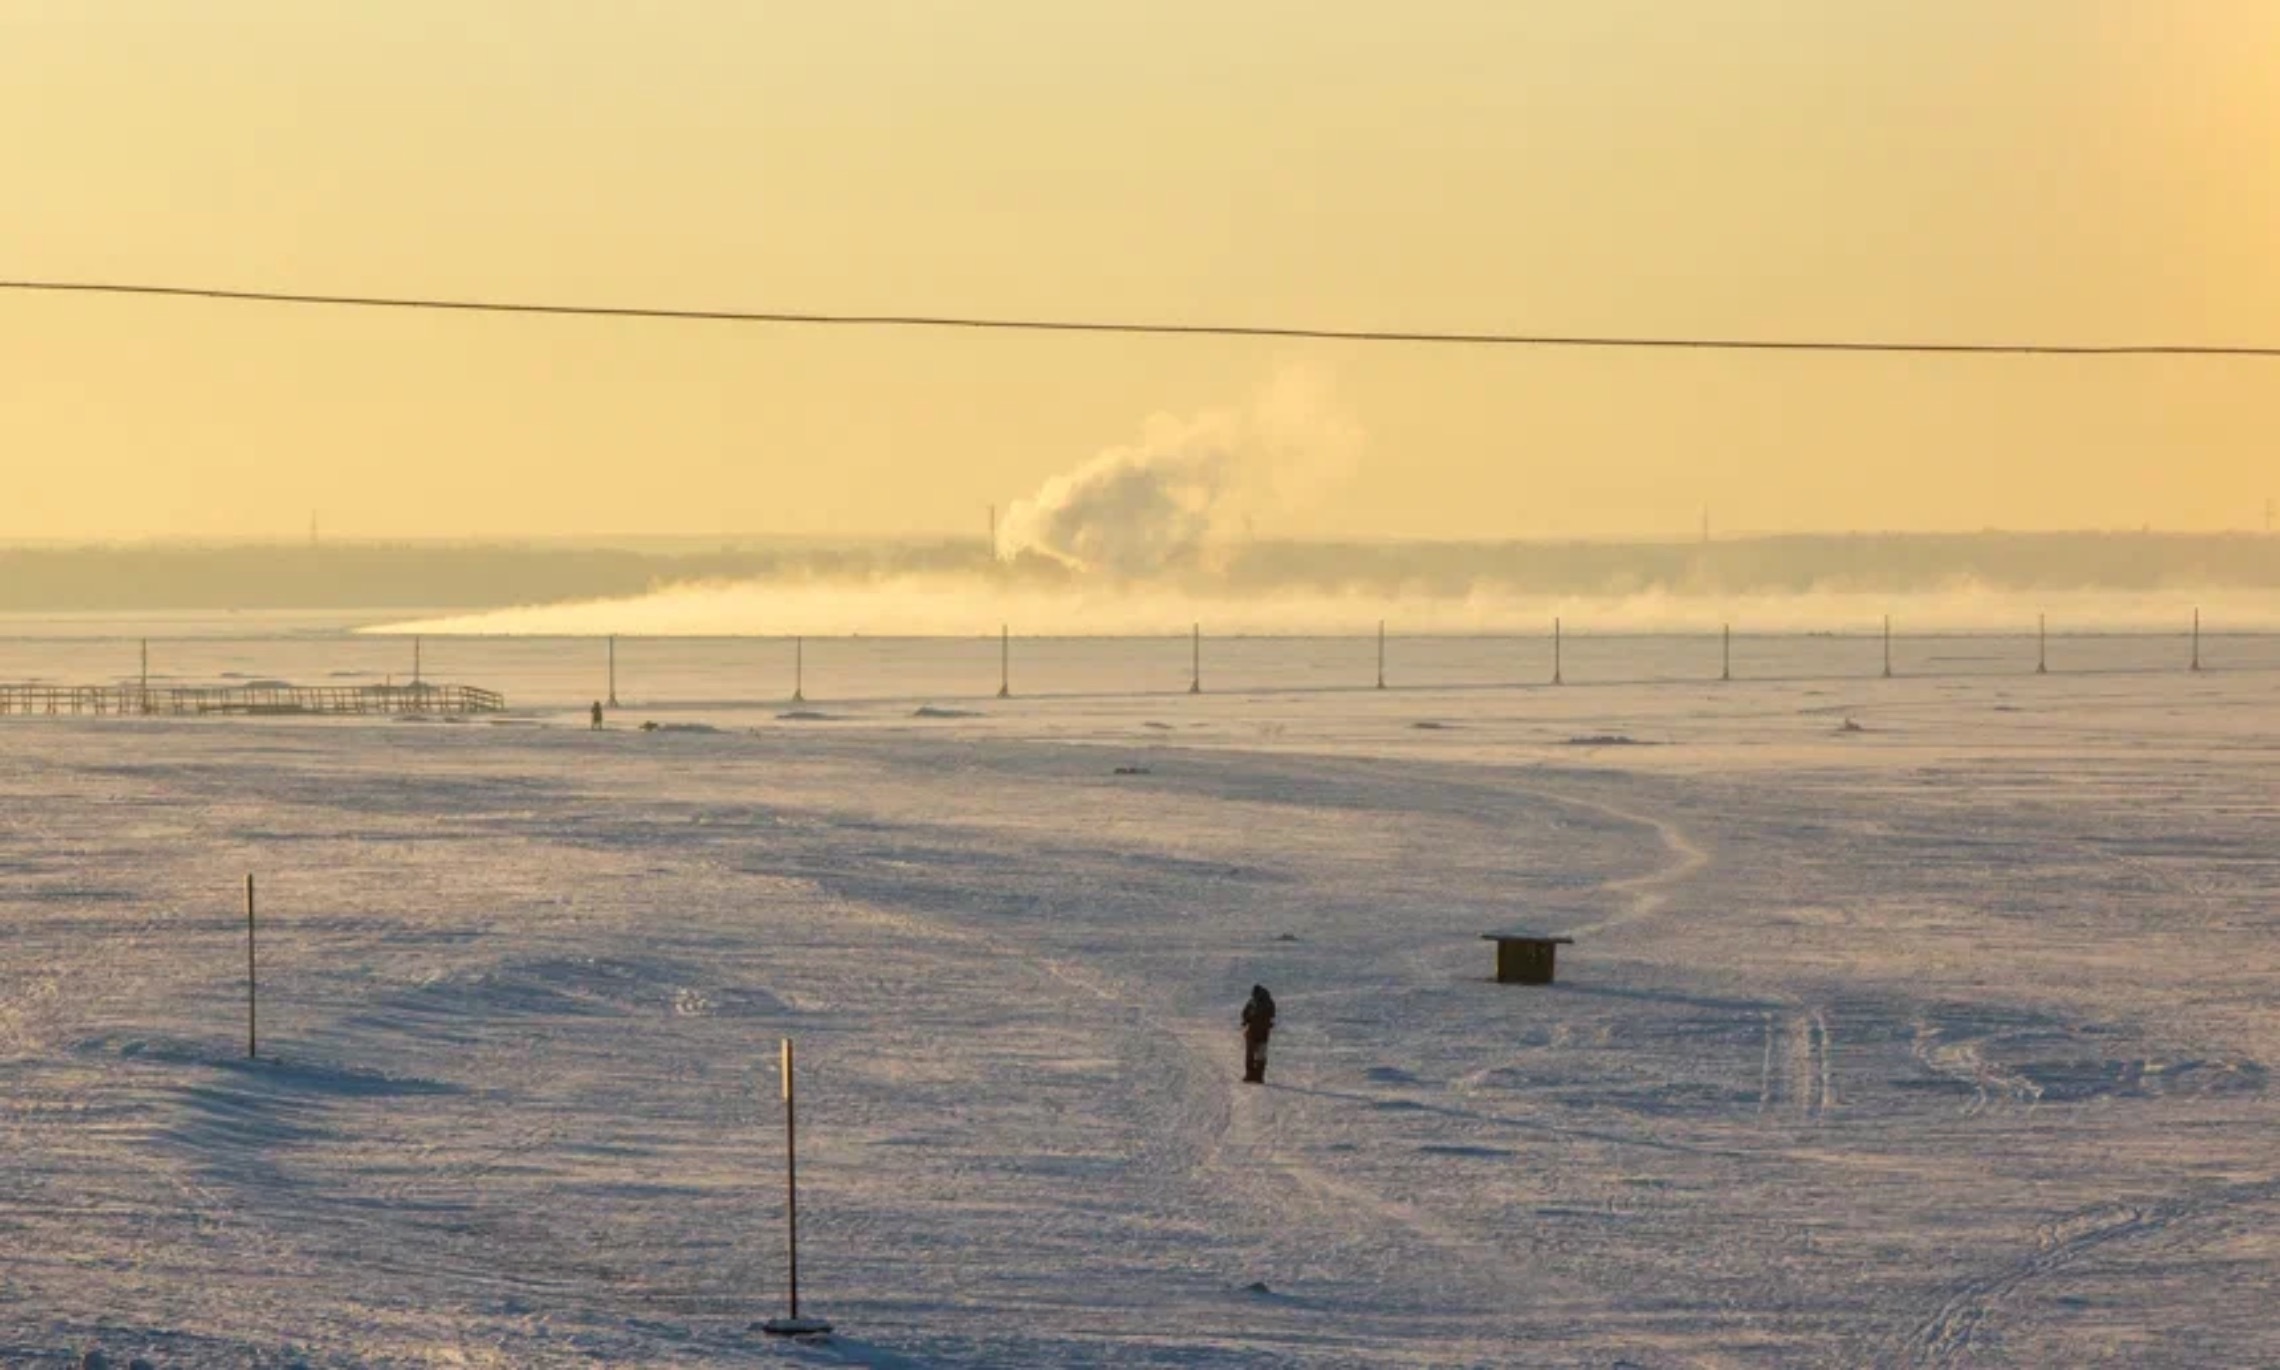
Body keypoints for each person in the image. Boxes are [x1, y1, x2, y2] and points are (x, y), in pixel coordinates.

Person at [1240, 984, 1276, 1084]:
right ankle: (1259, 1076)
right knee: (1261, 1053)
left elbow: (1245, 1013)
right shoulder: (1270, 1002)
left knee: (1250, 1053)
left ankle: (1250, 1075)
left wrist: (1246, 1021)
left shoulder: (1253, 1002)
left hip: (1252, 1031)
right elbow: (1272, 1015)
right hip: (1264, 1031)